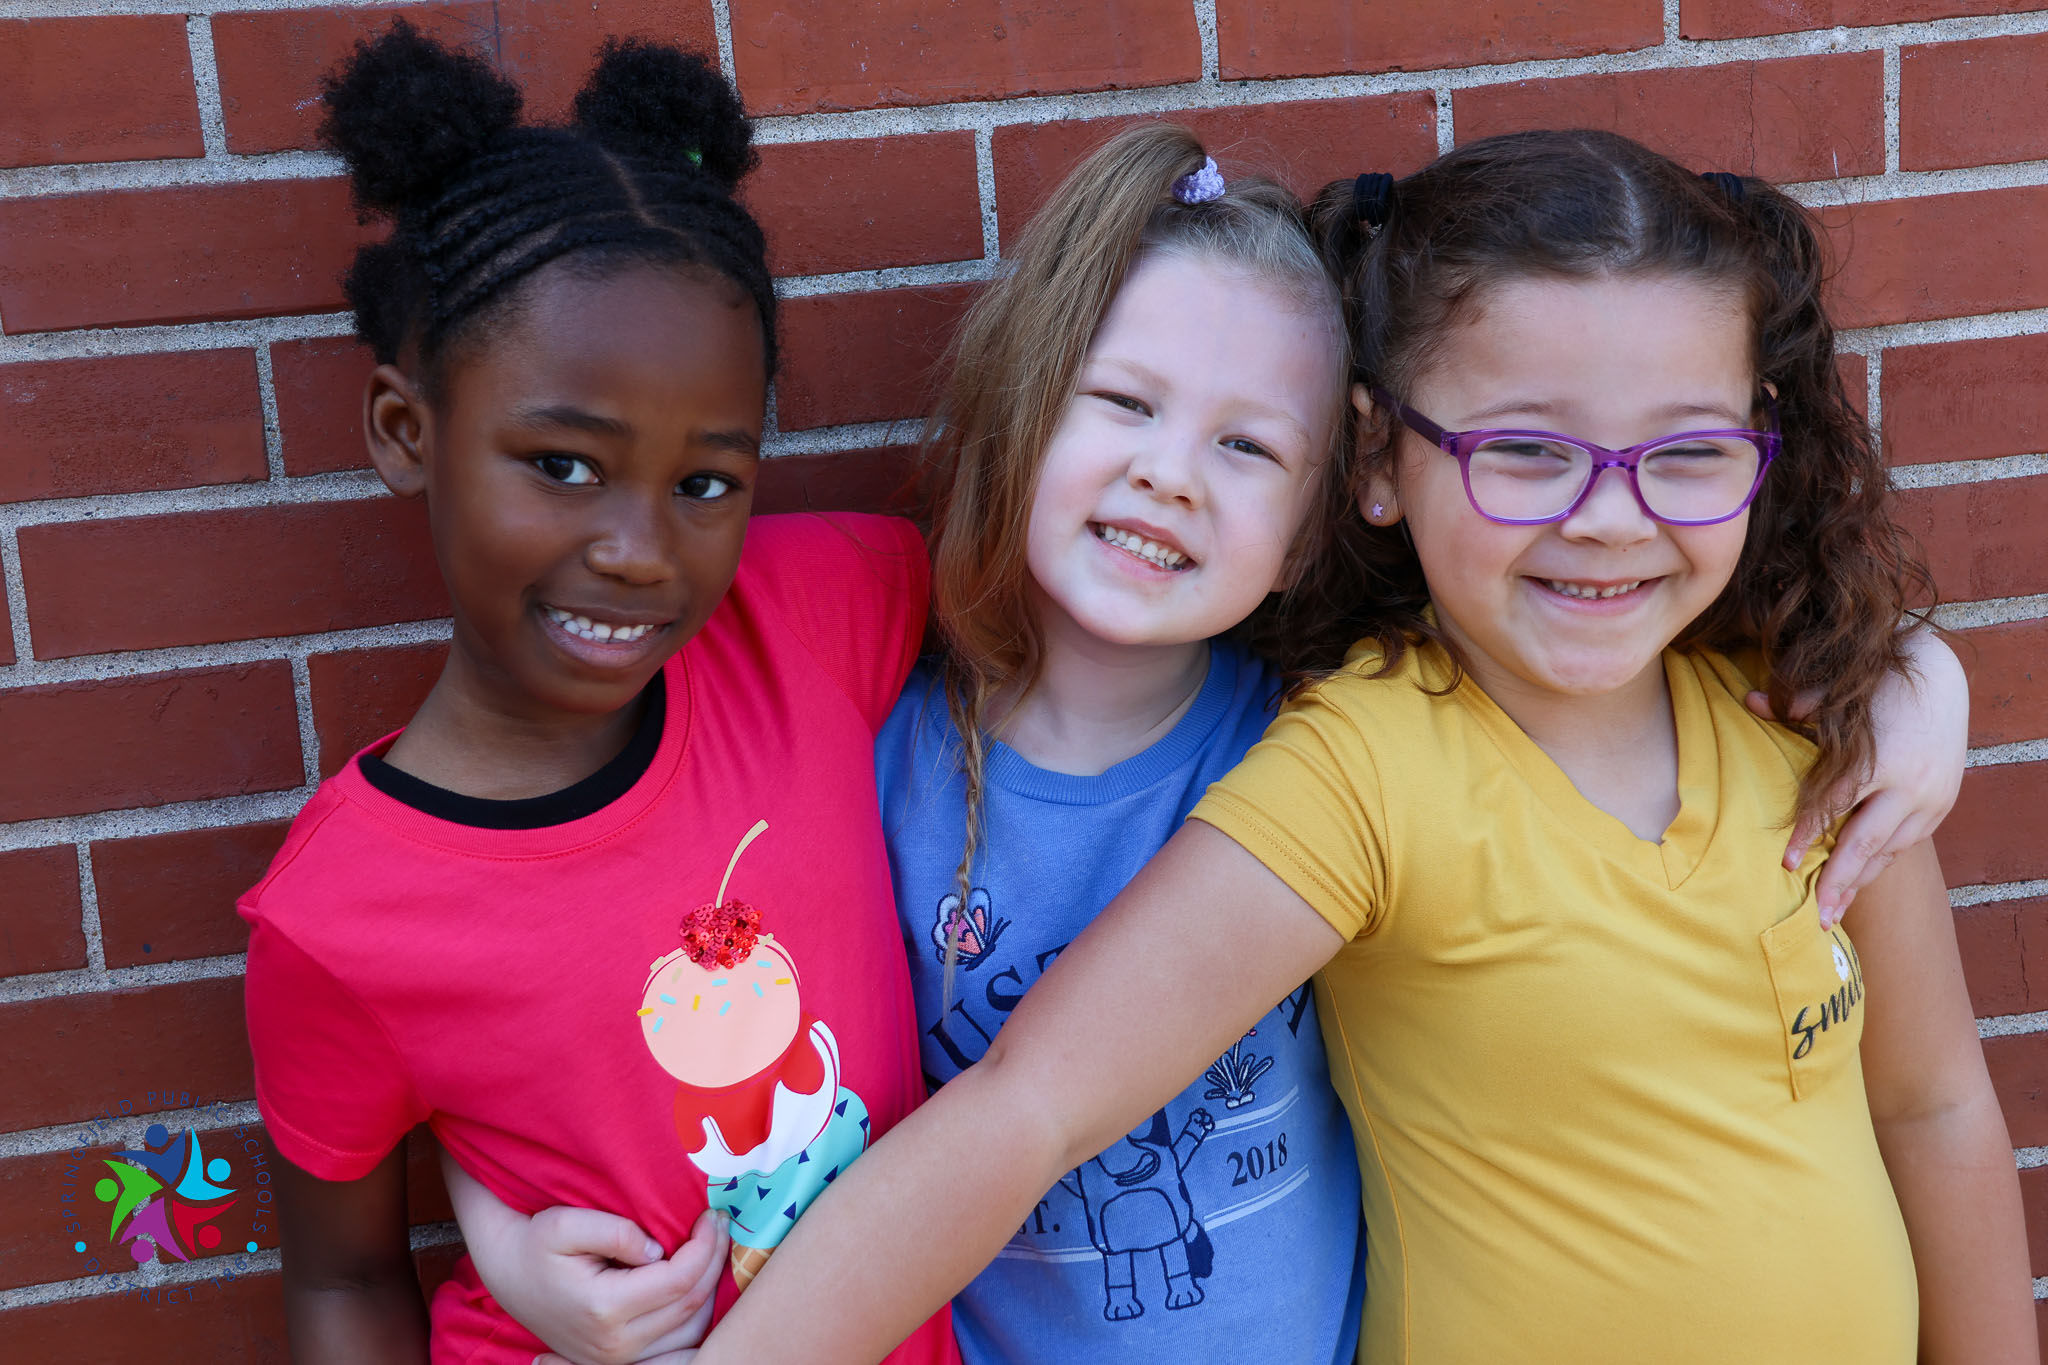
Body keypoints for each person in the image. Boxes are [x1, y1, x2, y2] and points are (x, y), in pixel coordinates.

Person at [445, 130, 1977, 1365]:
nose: (1607, 513)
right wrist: (508, 1223)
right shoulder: (1355, 767)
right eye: (1524, 449)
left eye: (1686, 455)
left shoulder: (1813, 717)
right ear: (1383, 467)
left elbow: (1932, 1103)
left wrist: (1911, 663)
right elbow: (966, 1091)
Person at [236, 24, 956, 1365]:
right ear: (409, 432)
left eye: (705, 484)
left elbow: (1048, 582)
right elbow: (342, 1283)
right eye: (564, 464)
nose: (638, 548)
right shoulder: (337, 922)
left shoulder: (802, 617)